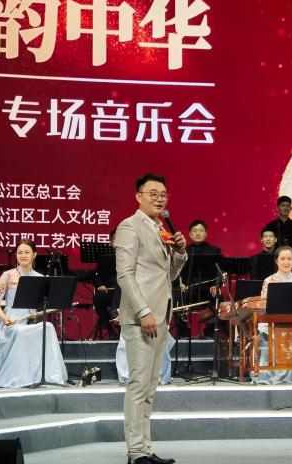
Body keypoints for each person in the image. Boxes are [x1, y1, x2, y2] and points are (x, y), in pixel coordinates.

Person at [115, 173, 187, 464]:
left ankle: (144, 448)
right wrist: (143, 310)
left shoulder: (160, 229)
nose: (159, 199)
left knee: (150, 387)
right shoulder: (129, 226)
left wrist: (179, 253)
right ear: (138, 196)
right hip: (141, 317)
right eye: (153, 193)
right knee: (138, 385)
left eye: (163, 194)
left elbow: (168, 275)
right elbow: (125, 275)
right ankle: (135, 452)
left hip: (161, 314)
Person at [0, 239, 68, 388]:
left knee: (48, 327)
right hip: (11, 323)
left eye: (27, 252)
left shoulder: (40, 278)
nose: (23, 255)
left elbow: (41, 307)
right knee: (20, 332)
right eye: (20, 252)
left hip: (29, 322)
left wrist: (38, 315)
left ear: (34, 255)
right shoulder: (8, 275)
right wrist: (5, 319)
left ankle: (50, 375)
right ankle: (18, 378)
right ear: (16, 255)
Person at [254, 245, 292, 384]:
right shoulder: (269, 280)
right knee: (265, 334)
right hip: (273, 323)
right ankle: (271, 372)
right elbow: (264, 306)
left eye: (289, 259)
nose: (286, 262)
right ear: (276, 261)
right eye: (282, 259)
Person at [92, 228, 120, 339]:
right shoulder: (105, 259)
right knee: (98, 298)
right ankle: (110, 329)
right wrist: (100, 285)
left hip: (127, 293)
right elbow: (96, 275)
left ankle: (120, 325)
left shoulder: (132, 257)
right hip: (110, 291)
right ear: (111, 242)